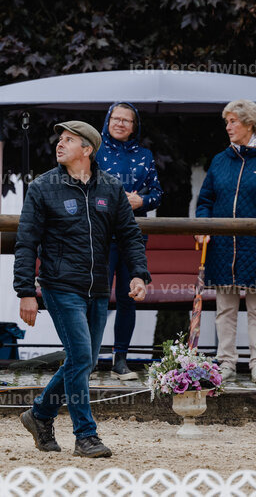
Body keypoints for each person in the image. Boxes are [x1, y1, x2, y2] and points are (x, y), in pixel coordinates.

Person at [15, 121, 150, 458]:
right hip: (60, 286)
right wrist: (25, 291)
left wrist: (138, 275)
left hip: (99, 287)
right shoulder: (42, 187)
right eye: (59, 138)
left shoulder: (111, 188)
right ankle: (86, 435)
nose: (59, 144)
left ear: (87, 150)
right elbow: (26, 242)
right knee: (80, 357)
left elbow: (130, 235)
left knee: (83, 361)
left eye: (69, 140)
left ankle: (39, 415)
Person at [195, 100, 256, 384]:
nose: (228, 127)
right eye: (226, 122)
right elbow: (205, 200)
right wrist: (203, 225)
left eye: (233, 121)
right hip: (223, 248)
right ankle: (225, 363)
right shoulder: (220, 160)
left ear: (250, 123)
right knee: (225, 308)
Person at [95, 102, 163, 381]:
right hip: (100, 235)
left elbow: (157, 194)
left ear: (134, 126)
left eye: (127, 120)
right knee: (96, 297)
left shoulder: (144, 156)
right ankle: (88, 359)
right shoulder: (94, 150)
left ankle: (120, 360)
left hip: (133, 236)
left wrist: (141, 201)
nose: (120, 123)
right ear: (108, 120)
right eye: (116, 118)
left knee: (128, 297)